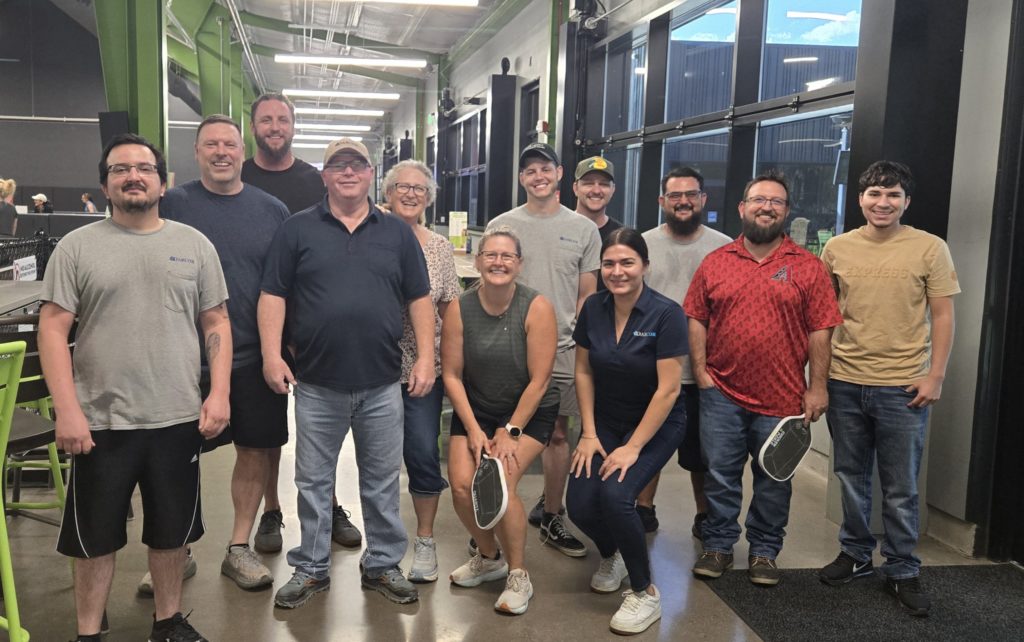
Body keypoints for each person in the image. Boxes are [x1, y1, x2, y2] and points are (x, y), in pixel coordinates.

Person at [39, 133, 230, 642]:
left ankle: (167, 622)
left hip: (176, 416)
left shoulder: (194, 246)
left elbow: (216, 321)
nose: (133, 177)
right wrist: (67, 410)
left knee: (172, 531)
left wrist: (219, 393)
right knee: (94, 537)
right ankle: (88, 632)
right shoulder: (76, 247)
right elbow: (53, 329)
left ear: (162, 183)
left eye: (144, 168)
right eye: (120, 169)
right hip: (100, 420)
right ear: (105, 185)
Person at [259, 137, 434, 608]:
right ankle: (311, 568)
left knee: (381, 481)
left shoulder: (396, 233)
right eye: (339, 164)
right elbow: (273, 294)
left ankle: (382, 564)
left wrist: (426, 358)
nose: (349, 171)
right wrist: (272, 355)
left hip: (382, 383)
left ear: (371, 173)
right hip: (317, 384)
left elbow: (419, 298)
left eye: (358, 164)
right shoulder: (297, 229)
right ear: (325, 175)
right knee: (313, 482)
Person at [152, 114, 291, 593]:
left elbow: (283, 285)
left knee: (255, 450)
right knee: (175, 456)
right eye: (210, 144)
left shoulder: (272, 210)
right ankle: (177, 549)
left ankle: (238, 547)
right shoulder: (172, 203)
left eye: (229, 144)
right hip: (181, 358)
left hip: (253, 355)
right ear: (196, 152)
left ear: (242, 151)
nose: (221, 152)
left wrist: (280, 349)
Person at [684, 171, 842, 586]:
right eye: (758, 200)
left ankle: (765, 552)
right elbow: (696, 317)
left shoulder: (807, 267)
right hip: (721, 392)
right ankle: (718, 546)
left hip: (783, 396)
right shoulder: (716, 261)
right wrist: (700, 371)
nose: (766, 207)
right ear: (743, 207)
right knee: (720, 475)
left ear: (786, 211)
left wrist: (818, 387)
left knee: (774, 477)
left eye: (775, 202)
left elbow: (821, 330)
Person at [819, 161, 959, 616]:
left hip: (903, 386)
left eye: (893, 194)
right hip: (845, 380)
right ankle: (856, 554)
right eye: (875, 194)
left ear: (906, 201)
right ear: (860, 199)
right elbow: (824, 316)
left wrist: (935, 375)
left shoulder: (929, 248)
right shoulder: (837, 248)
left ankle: (902, 568)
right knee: (850, 476)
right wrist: (818, 378)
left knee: (900, 487)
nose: (883, 203)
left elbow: (943, 315)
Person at [240, 92, 359, 553]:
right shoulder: (241, 177)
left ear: (293, 126)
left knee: (323, 426)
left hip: (313, 327)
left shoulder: (315, 181)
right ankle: (271, 510)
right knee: (265, 431)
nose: (275, 127)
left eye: (283, 120)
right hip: (259, 326)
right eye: (266, 119)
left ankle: (329, 504)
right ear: (254, 126)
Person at [567, 228, 688, 635]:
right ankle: (613, 554)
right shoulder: (594, 308)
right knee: (580, 505)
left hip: (656, 423)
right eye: (609, 264)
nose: (617, 271)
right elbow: (583, 371)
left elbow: (668, 390)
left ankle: (644, 592)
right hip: (604, 419)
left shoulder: (667, 314)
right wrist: (588, 433)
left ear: (645, 266)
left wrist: (633, 447)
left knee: (617, 497)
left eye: (627, 262)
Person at [486, 142, 600, 558]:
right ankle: (493, 513)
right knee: (502, 432)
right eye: (530, 170)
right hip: (508, 348)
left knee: (557, 434)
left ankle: (552, 514)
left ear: (559, 174)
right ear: (522, 178)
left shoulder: (584, 229)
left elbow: (587, 294)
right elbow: (491, 283)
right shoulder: (502, 224)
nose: (538, 176)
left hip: (564, 348)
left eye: (545, 169)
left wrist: (582, 342)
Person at [442, 227, 559, 615]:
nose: (498, 262)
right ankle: (489, 557)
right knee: (463, 485)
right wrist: (474, 429)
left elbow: (540, 380)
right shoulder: (460, 308)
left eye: (507, 256)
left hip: (527, 411)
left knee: (501, 484)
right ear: (477, 262)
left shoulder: (536, 307)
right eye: (490, 255)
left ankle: (518, 574)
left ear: (519, 264)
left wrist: (510, 431)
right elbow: (452, 375)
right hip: (477, 409)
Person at [636, 167, 731, 535]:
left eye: (691, 194)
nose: (683, 201)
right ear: (662, 201)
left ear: (703, 199)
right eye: (675, 195)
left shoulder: (724, 247)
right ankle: (643, 509)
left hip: (705, 371)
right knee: (648, 443)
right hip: (652, 369)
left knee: (702, 453)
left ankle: (705, 515)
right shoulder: (643, 245)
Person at [381, 159, 461, 583]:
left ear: (429, 198)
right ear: (387, 192)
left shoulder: (439, 248)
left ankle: (425, 540)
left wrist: (448, 365)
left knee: (423, 453)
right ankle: (382, 543)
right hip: (373, 367)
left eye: (419, 189)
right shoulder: (370, 236)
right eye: (403, 187)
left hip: (422, 370)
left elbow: (450, 310)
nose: (411, 194)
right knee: (377, 460)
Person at [573, 156, 622, 292]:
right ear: (576, 188)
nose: (596, 190)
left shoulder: (622, 236)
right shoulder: (560, 228)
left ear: (613, 189)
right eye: (588, 183)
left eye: (604, 184)